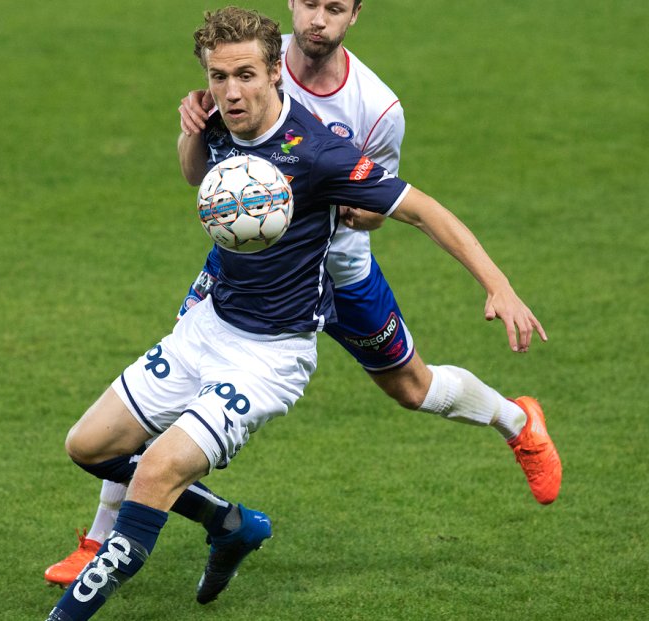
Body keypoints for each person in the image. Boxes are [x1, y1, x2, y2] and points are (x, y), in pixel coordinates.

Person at [44, 0, 561, 603]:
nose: (318, 18)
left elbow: (388, 206)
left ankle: (517, 421)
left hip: (341, 270)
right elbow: (203, 171)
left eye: (333, 7)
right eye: (310, 3)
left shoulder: (376, 107)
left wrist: (495, 282)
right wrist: (194, 128)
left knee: (411, 388)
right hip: (245, 272)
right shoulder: (241, 70)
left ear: (355, 14)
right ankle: (102, 540)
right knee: (154, 402)